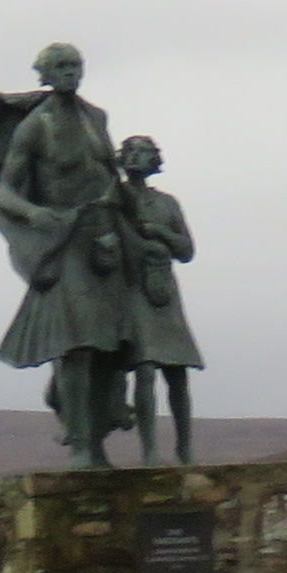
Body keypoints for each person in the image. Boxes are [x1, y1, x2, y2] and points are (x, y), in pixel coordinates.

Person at [0, 45, 161, 463]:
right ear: (44, 75)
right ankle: (80, 443)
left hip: (107, 236)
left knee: (113, 346)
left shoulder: (96, 118)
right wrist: (35, 214)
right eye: (61, 67)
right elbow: (5, 192)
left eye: (75, 65)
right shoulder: (36, 126)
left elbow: (109, 175)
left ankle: (96, 439)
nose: (70, 72)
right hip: (65, 238)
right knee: (77, 345)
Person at [113, 133, 203, 462]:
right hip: (131, 286)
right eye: (132, 152)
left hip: (163, 288)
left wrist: (160, 232)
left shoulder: (167, 203)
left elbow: (186, 251)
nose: (137, 157)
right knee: (145, 366)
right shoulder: (114, 197)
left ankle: (185, 448)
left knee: (177, 372)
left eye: (144, 152)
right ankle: (150, 450)